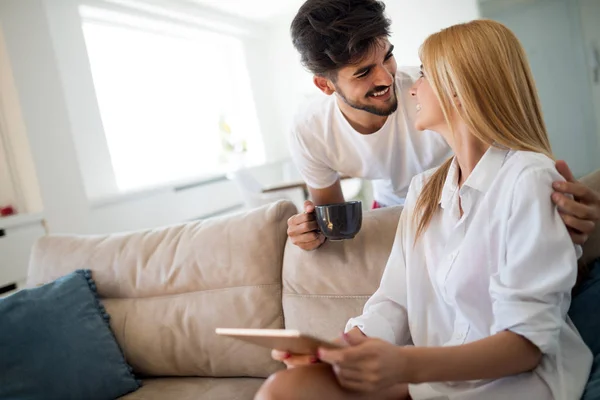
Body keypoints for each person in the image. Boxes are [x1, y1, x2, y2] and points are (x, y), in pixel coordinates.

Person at [255, 19, 593, 400]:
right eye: (365, 71)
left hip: (516, 383)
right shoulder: (422, 191)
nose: (409, 85)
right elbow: (393, 300)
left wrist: (404, 365)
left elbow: (526, 346)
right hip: (433, 380)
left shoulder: (527, 178)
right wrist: (336, 352)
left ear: (461, 90)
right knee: (287, 387)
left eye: (425, 75)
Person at [285, 0, 600, 251]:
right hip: (395, 207)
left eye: (388, 58)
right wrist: (312, 234)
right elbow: (333, 221)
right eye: (364, 72)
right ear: (325, 86)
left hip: (466, 196)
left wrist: (550, 198)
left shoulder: (431, 90)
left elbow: (511, 153)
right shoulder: (310, 131)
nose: (387, 78)